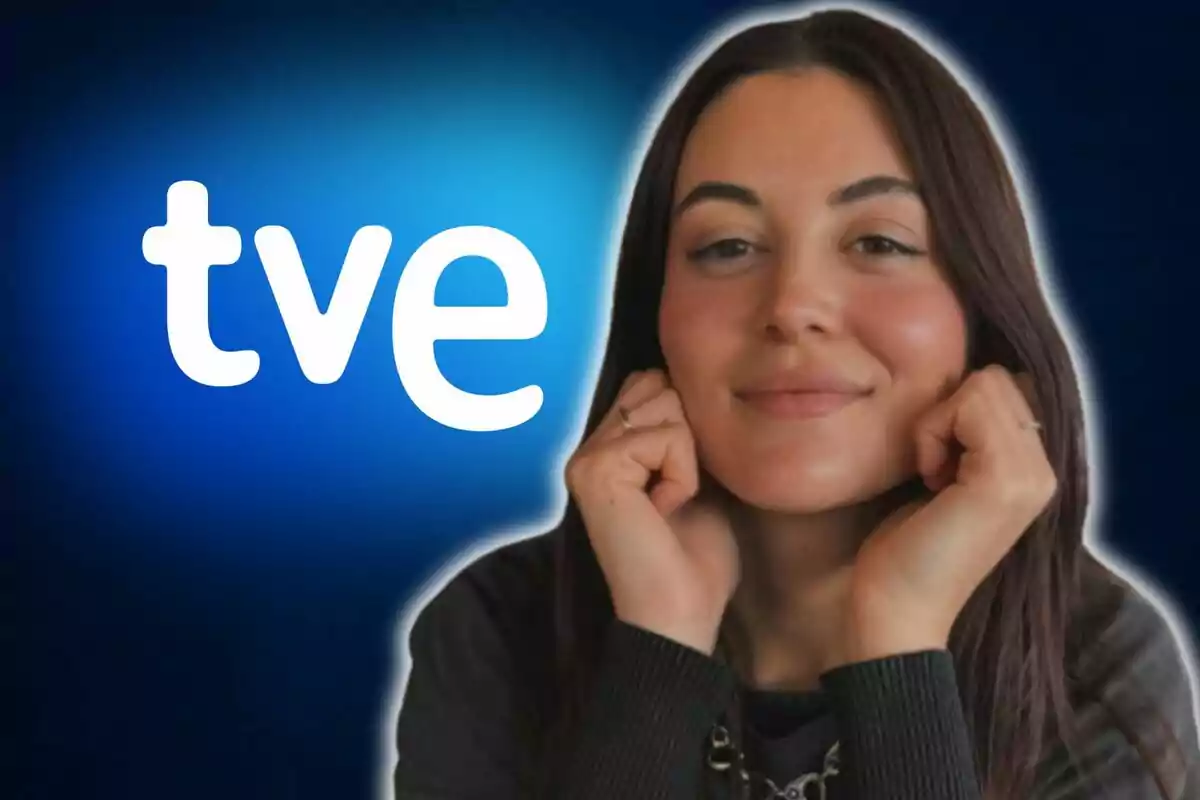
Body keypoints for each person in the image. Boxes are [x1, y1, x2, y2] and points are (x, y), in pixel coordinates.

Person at [389, 7, 1200, 799]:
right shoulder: (495, 632)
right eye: (728, 246)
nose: (793, 304)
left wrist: (898, 636)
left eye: (878, 243)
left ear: (980, 313)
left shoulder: (1097, 667)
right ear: (656, 312)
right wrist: (660, 645)